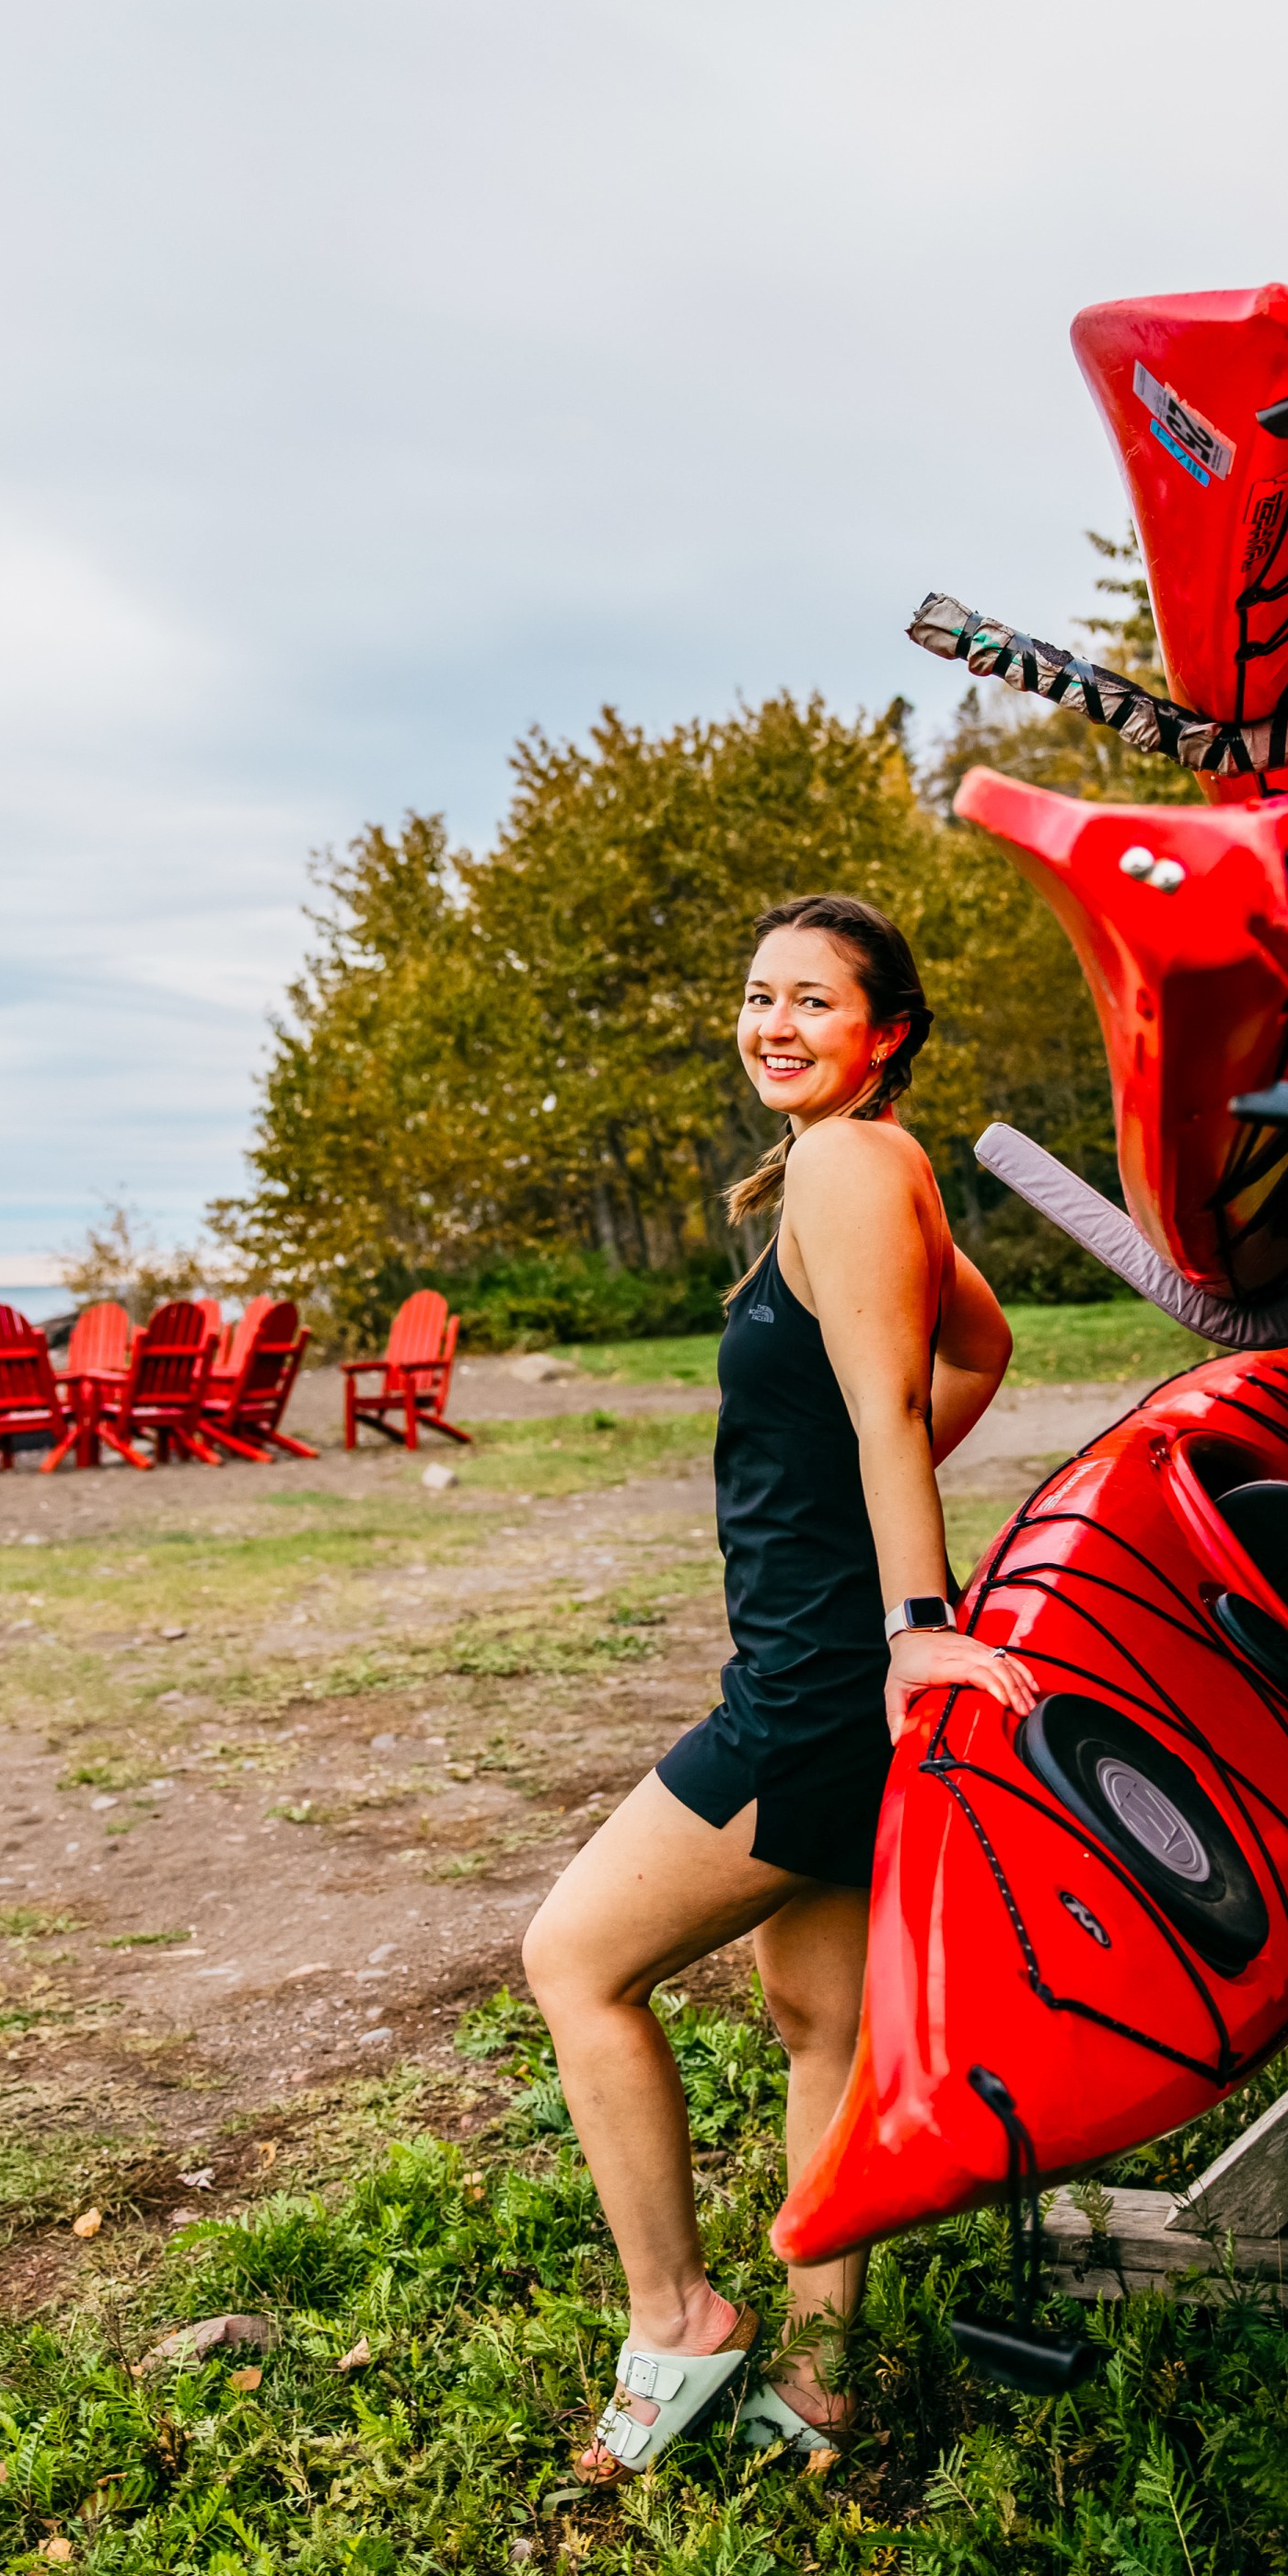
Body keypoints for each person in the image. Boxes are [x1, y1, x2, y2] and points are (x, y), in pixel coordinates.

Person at [521, 891, 1037, 2481]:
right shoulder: (878, 1172)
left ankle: (680, 2318)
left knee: (575, 1961)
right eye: (760, 997)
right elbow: (980, 1349)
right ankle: (819, 2383)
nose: (775, 1025)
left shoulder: (840, 1162)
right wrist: (846, 1504)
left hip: (818, 1685)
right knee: (820, 2023)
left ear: (883, 1033)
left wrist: (910, 1621)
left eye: (814, 1001)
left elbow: (894, 1411)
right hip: (826, 1660)